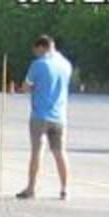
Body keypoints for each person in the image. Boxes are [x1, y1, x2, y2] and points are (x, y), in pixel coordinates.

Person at [17, 34, 73, 200]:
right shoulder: (66, 65)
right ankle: (65, 189)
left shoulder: (38, 64)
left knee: (37, 152)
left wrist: (32, 89)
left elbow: (26, 87)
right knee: (60, 152)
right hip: (59, 115)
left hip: (40, 115)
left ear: (42, 47)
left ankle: (31, 188)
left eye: (36, 51)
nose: (36, 54)